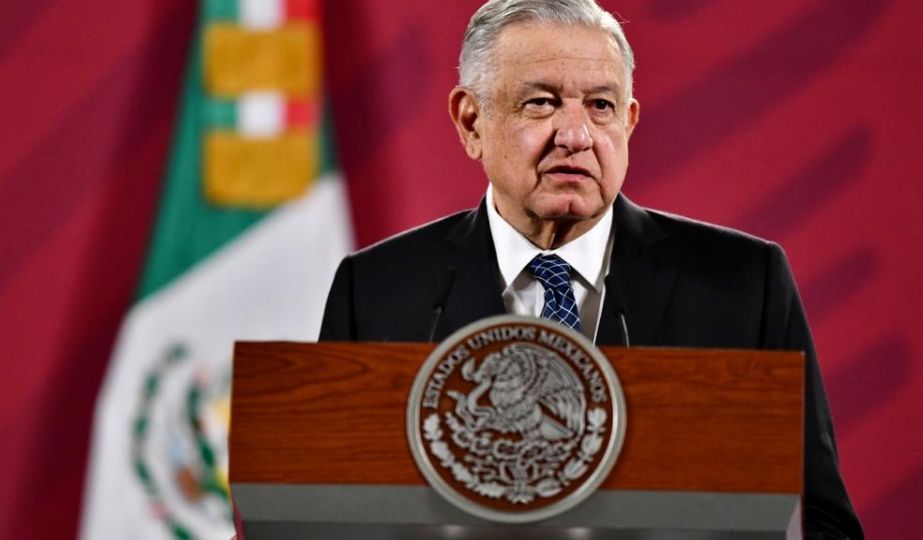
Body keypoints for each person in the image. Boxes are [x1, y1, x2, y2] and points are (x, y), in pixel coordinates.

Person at [319, 0, 863, 537]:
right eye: (541, 103)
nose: (575, 135)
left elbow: (820, 520)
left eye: (600, 106)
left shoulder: (742, 285)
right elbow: (324, 511)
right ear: (471, 121)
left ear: (628, 121)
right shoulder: (376, 292)